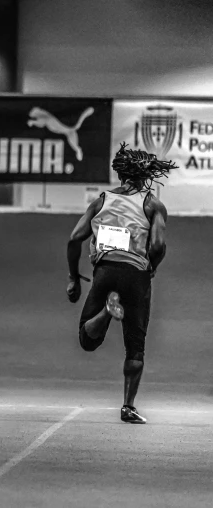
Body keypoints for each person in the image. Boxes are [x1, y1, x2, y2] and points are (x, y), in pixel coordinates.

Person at [67, 143, 176, 424]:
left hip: (104, 270)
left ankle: (106, 311)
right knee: (136, 346)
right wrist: (152, 267)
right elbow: (158, 244)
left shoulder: (102, 200)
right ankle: (128, 406)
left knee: (87, 339)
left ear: (120, 174)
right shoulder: (152, 204)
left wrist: (73, 278)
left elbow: (74, 238)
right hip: (136, 274)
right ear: (146, 175)